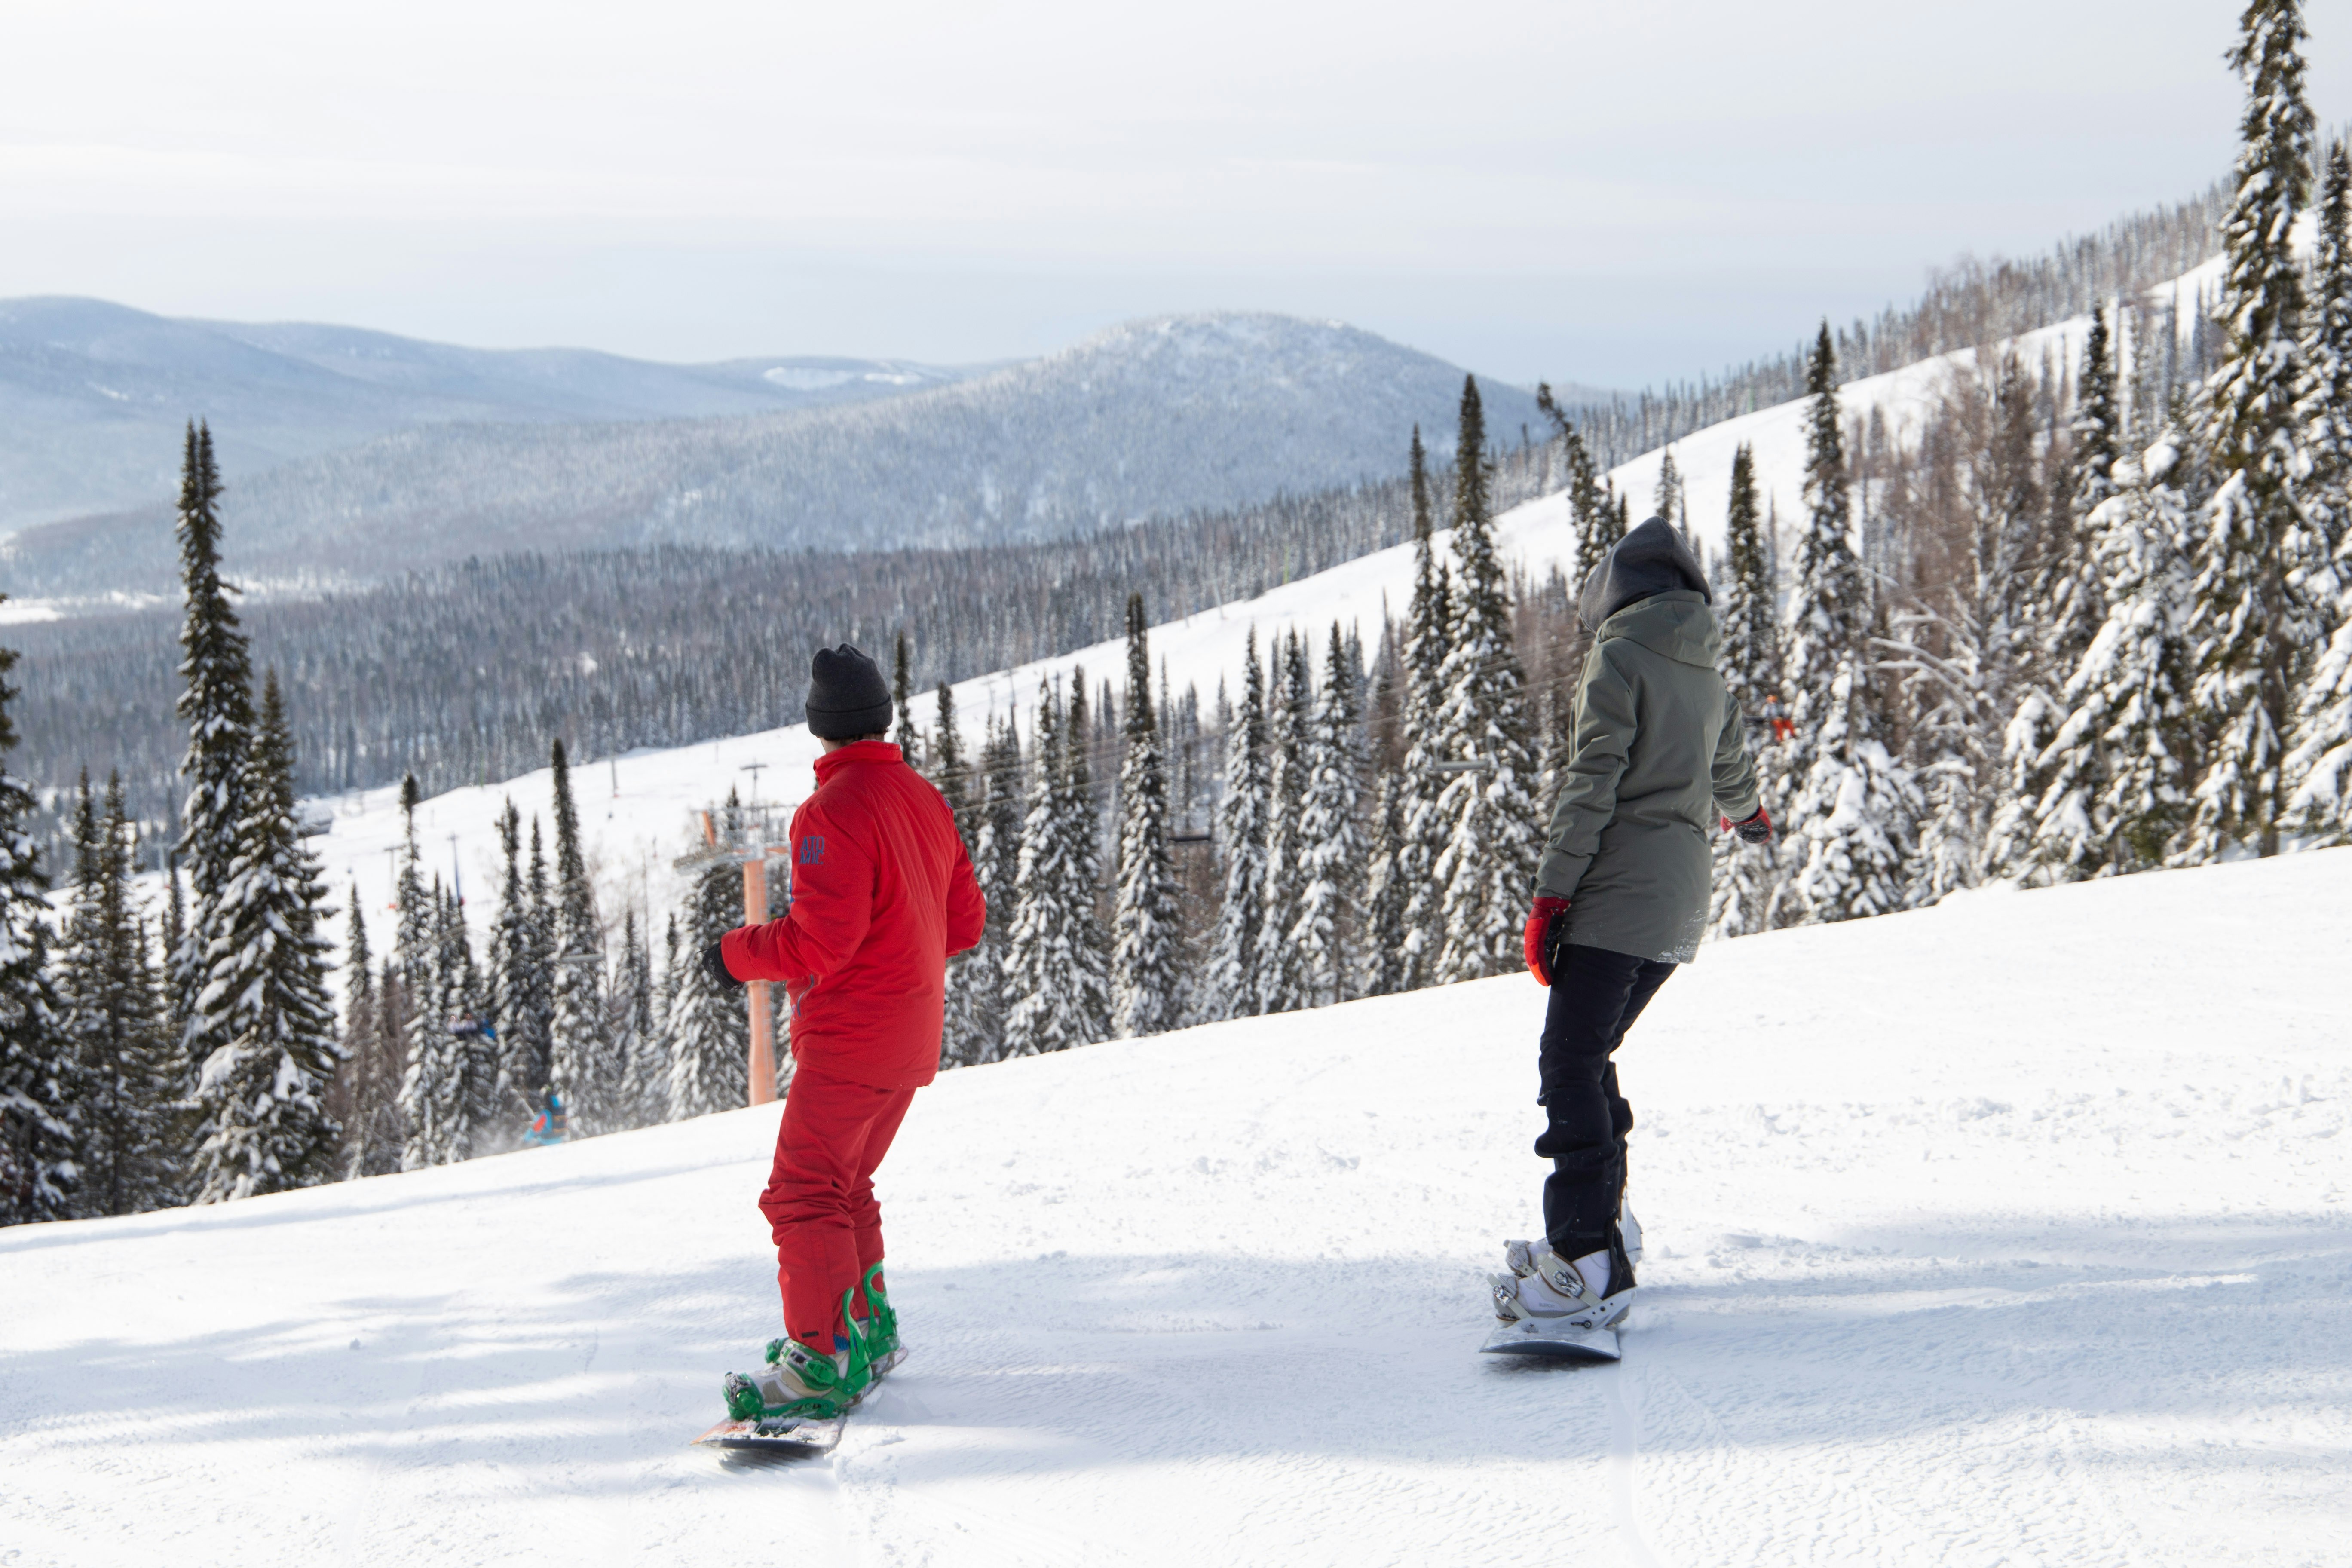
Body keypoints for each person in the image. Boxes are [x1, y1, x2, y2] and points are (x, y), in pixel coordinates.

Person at [1493, 518, 1770, 1334]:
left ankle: (1583, 1258)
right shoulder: (1706, 669)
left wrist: (1551, 897)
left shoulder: (1620, 655)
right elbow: (1732, 769)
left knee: (1569, 1060)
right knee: (1591, 1054)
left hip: (1617, 893)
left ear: (1614, 594)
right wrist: (1750, 817)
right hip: (1680, 901)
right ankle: (1604, 1231)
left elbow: (1593, 782)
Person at [712, 643, 986, 1422]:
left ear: (819, 725)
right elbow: (964, 923)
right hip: (909, 1041)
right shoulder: (923, 798)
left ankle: (821, 1360)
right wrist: (904, 942)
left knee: (800, 1194)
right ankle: (865, 1330)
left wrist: (735, 954)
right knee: (844, 1185)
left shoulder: (831, 812)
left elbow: (818, 942)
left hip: (853, 1041)